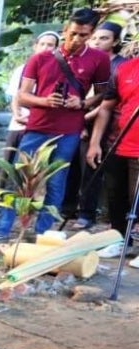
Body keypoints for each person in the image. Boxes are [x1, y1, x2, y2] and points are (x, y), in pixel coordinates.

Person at [0, 8, 109, 241]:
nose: (77, 39)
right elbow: (22, 95)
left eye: (84, 35)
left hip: (69, 131)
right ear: (65, 30)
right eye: (73, 33)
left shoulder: (99, 59)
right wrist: (45, 101)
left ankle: (42, 233)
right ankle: (2, 228)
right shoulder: (40, 58)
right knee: (19, 178)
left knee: (56, 182)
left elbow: (103, 94)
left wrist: (82, 102)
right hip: (36, 127)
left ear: (91, 34)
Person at [71, 21, 129, 230]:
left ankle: (88, 215)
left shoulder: (122, 65)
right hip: (82, 121)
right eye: (94, 38)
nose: (96, 42)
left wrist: (85, 117)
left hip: (111, 126)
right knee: (79, 167)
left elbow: (109, 102)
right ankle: (72, 209)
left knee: (97, 169)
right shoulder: (86, 60)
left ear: (115, 41)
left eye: (104, 38)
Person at [87, 52, 139, 266]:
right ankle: (120, 240)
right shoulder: (125, 69)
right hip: (119, 143)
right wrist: (94, 143)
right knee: (115, 196)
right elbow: (106, 107)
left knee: (137, 199)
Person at [0, 32, 60, 195]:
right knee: (9, 163)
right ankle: (2, 198)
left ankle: (26, 200)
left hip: (40, 126)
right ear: (35, 46)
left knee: (32, 168)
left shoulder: (58, 70)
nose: (45, 48)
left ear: (56, 49)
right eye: (42, 44)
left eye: (50, 45)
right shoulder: (22, 69)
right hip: (18, 124)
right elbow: (16, 95)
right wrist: (17, 114)